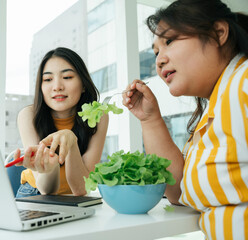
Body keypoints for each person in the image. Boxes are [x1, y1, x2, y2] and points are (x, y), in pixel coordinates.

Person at [122, 0, 248, 239]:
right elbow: (179, 191)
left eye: (169, 41)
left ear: (219, 33)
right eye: (156, 51)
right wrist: (150, 120)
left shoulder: (243, 83)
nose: (159, 61)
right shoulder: (216, 108)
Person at [13, 47, 108, 198]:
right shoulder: (28, 116)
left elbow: (81, 188)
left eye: (68, 77)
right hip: (34, 192)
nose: (57, 86)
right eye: (48, 79)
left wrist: (71, 142)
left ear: (83, 84)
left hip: (75, 197)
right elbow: (45, 190)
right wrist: (50, 168)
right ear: (41, 87)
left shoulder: (98, 116)